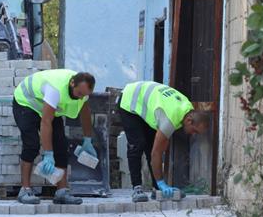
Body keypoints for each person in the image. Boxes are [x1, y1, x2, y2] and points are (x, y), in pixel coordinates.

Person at [12, 69, 97, 205]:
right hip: (27, 102)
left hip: (49, 107)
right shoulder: (55, 89)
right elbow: (46, 122)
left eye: (84, 95)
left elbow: (85, 112)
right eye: (79, 94)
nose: (81, 98)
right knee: (32, 144)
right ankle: (25, 189)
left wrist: (88, 139)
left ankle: (61, 192)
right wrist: (48, 154)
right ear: (72, 83)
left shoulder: (82, 91)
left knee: (61, 146)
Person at [117, 81, 210, 202]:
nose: (193, 135)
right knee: (137, 144)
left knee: (150, 144)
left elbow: (157, 149)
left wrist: (160, 185)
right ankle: (137, 188)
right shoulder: (170, 119)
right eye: (195, 131)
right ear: (189, 121)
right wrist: (162, 182)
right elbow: (157, 153)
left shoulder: (187, 109)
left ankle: (157, 189)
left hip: (146, 102)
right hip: (130, 100)